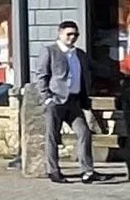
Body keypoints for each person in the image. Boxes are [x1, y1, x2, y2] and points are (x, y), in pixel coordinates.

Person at [34, 18, 97, 181]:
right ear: (60, 33)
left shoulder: (79, 54)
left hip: (74, 100)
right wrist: (47, 98)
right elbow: (41, 76)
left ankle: (87, 171)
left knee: (84, 132)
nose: (72, 38)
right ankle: (53, 171)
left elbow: (92, 70)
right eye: (69, 34)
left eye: (76, 34)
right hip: (56, 101)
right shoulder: (50, 51)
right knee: (52, 136)